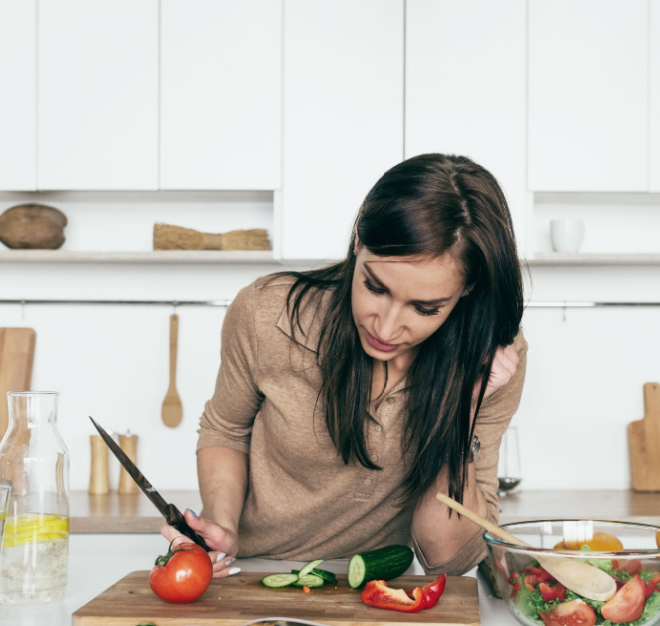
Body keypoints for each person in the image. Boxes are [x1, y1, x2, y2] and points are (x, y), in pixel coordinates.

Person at [163, 153, 528, 577]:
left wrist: (464, 403)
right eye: (375, 286)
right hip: (254, 571)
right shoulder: (267, 313)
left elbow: (446, 555)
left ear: (467, 288)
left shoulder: (492, 355)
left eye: (425, 308)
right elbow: (226, 429)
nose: (387, 328)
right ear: (358, 236)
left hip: (380, 582)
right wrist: (222, 527)